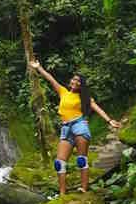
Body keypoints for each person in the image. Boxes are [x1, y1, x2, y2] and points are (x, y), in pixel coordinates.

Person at [29, 60, 121, 195]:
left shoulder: (84, 97)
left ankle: (83, 188)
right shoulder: (63, 92)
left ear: (81, 85)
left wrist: (109, 120)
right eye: (74, 79)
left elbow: (97, 109)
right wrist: (39, 68)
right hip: (66, 128)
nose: (75, 82)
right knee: (59, 163)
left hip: (79, 126)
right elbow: (51, 79)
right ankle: (62, 193)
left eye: (79, 81)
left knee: (81, 159)